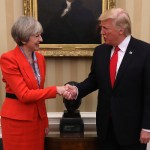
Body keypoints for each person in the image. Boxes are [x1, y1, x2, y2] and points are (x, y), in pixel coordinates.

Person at [64, 8, 150, 150]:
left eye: (105, 28)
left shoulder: (145, 52)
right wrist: (76, 90)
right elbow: (94, 80)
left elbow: (149, 93)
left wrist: (147, 127)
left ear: (121, 30)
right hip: (106, 128)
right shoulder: (100, 51)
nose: (101, 32)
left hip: (132, 130)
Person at [0, 16, 67, 150]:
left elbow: (39, 93)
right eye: (37, 36)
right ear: (24, 38)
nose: (41, 40)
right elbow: (24, 95)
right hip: (17, 123)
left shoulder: (40, 59)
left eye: (40, 35)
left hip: (37, 121)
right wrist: (56, 90)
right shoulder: (8, 59)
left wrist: (45, 120)